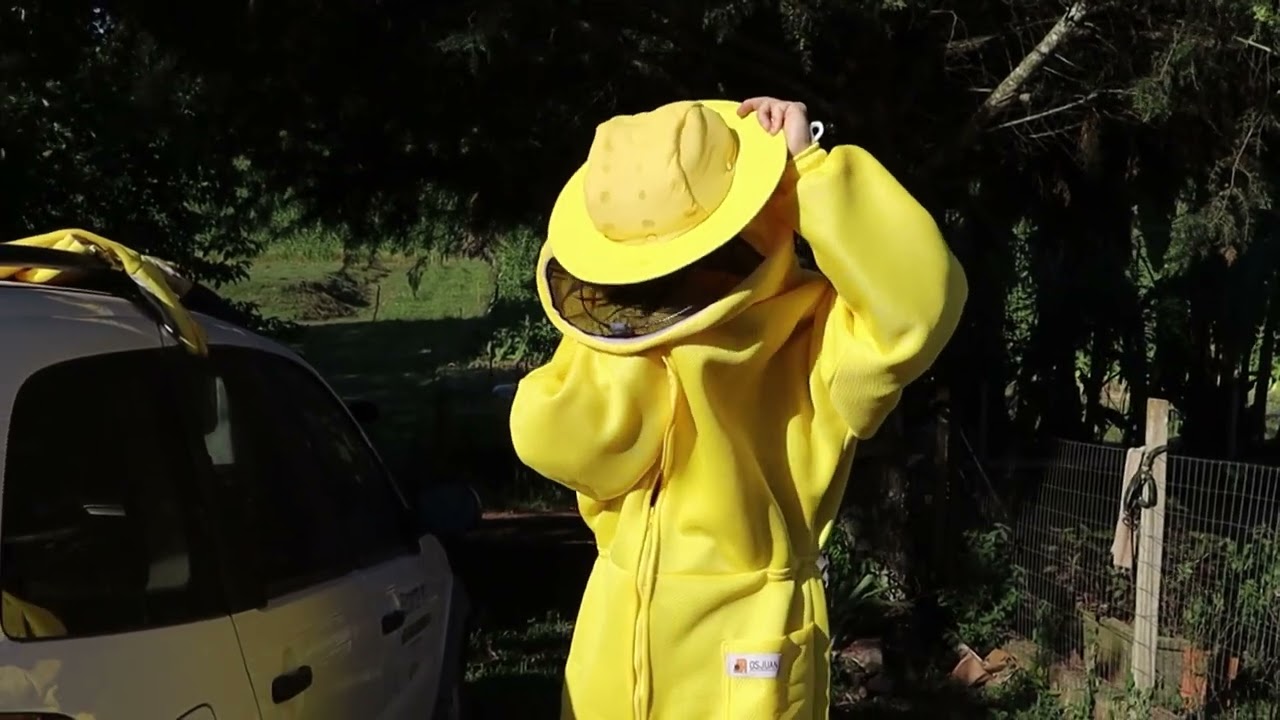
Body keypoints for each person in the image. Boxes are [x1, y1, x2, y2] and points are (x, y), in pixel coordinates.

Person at [509, 96, 967, 720]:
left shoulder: (813, 334)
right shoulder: (621, 355)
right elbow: (554, 438)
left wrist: (809, 174)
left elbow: (920, 304)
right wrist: (629, 343)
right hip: (615, 646)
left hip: (749, 651)